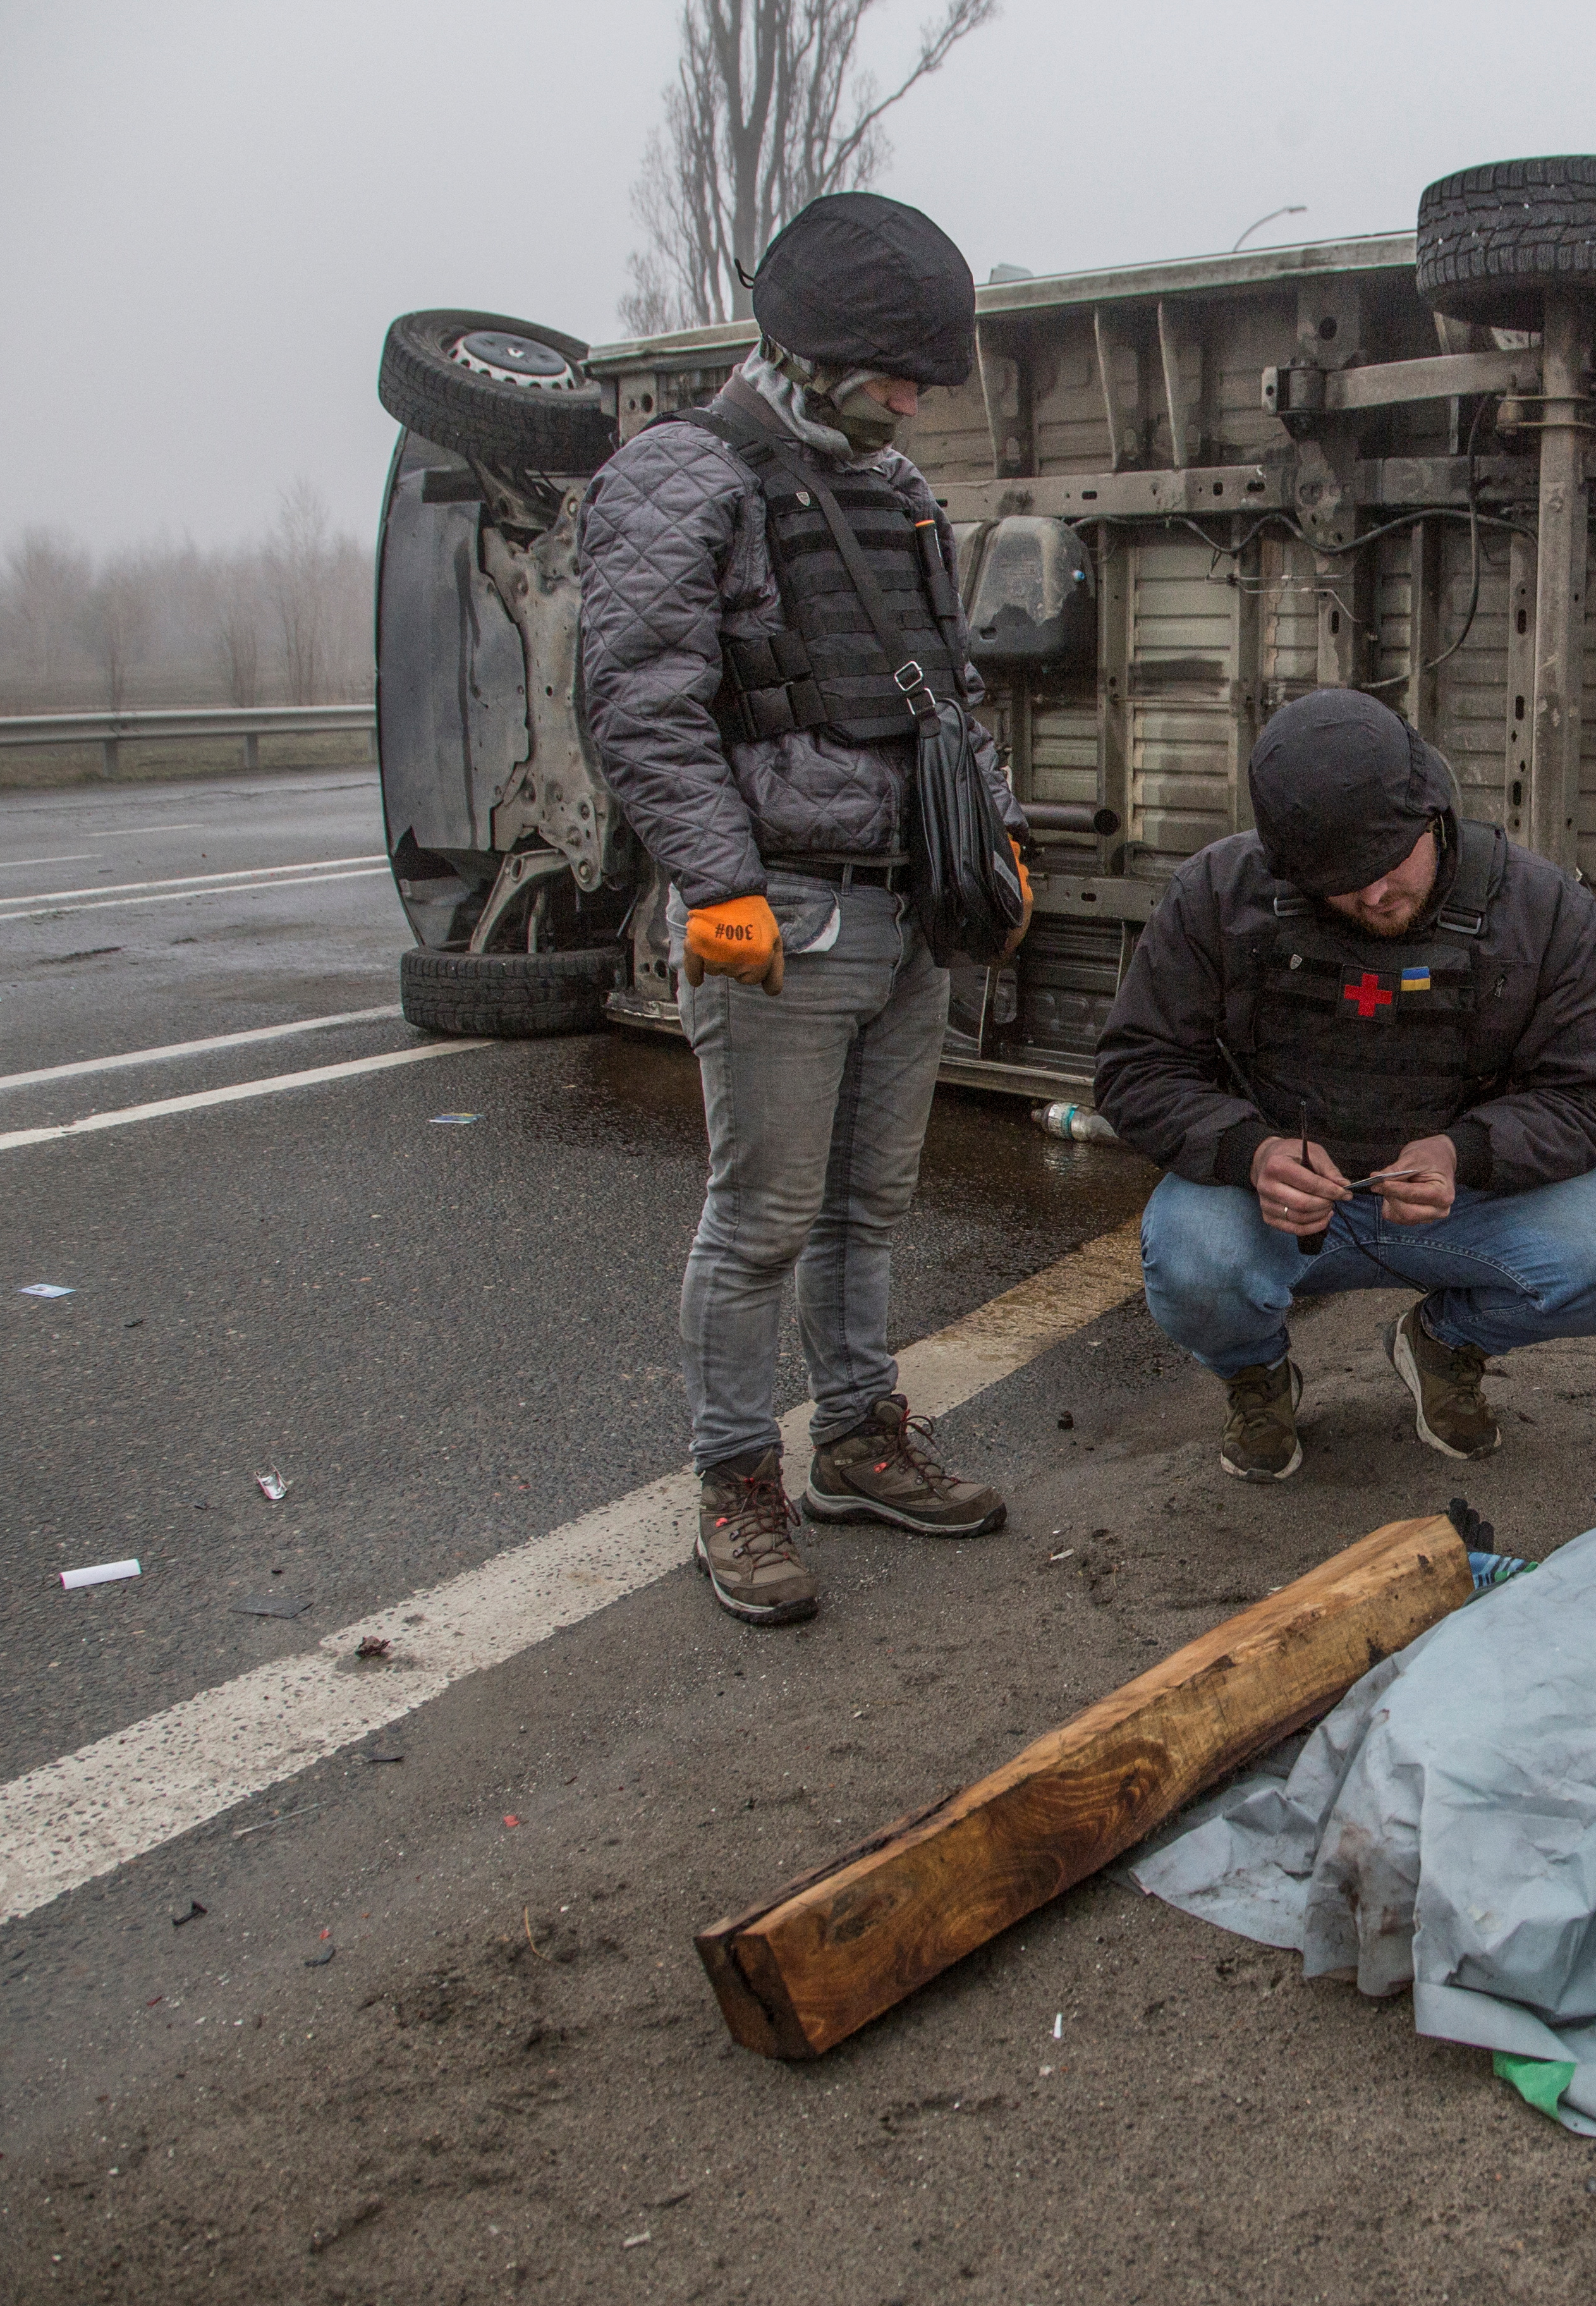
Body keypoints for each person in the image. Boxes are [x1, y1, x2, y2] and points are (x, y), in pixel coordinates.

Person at [578, 190, 1025, 1630]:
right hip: (777, 910)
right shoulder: (678, 474)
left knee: (868, 1203)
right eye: (897, 373)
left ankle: (854, 1437)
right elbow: (641, 705)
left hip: (905, 915)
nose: (912, 400)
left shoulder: (892, 491)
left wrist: (994, 839)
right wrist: (715, 885)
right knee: (761, 1215)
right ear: (818, 350)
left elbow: (948, 695)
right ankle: (732, 1482)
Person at [1093, 688, 1596, 1480]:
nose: (1373, 896)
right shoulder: (1218, 894)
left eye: (1389, 863)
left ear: (1432, 811)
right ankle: (1257, 1376)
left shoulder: (1543, 910)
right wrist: (1250, 1153)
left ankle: (1445, 1343)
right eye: (1340, 879)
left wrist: (1463, 1152)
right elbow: (1136, 1067)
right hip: (1274, 1205)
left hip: (1458, 1202)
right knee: (1193, 1262)